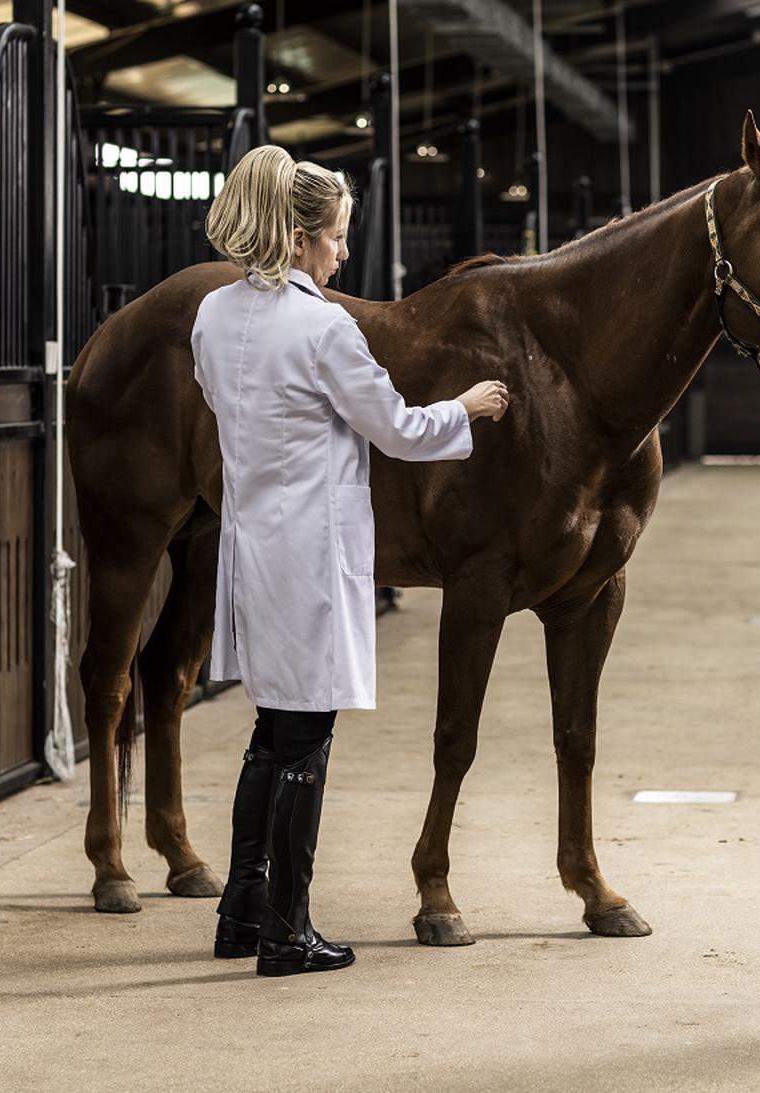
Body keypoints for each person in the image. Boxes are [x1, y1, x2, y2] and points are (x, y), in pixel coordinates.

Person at [192, 146, 510, 977]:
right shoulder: (324, 327)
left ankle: (241, 911)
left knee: (272, 731)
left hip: (253, 544)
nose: (341, 252)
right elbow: (398, 429)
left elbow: (220, 402)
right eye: (335, 236)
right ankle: (286, 931)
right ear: (299, 238)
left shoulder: (213, 315)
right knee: (304, 741)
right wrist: (466, 407)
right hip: (309, 554)